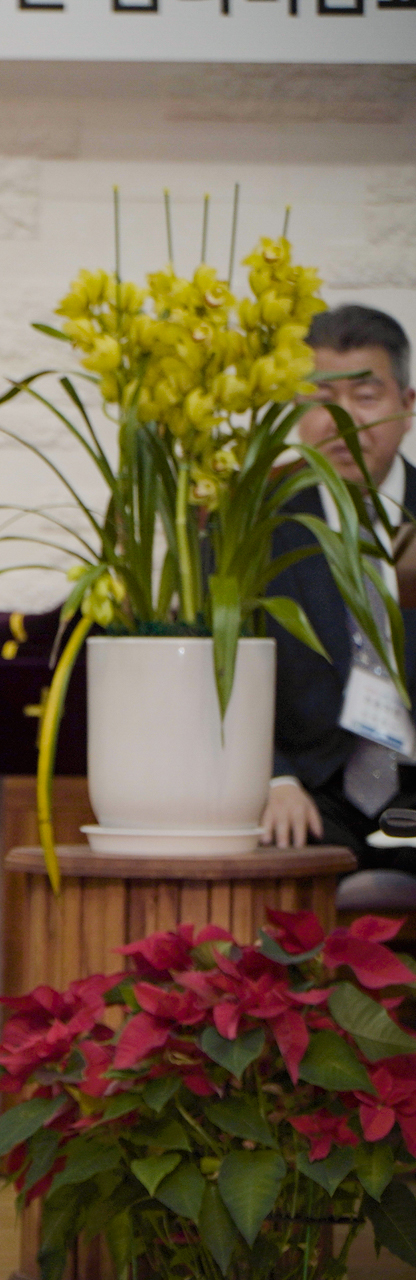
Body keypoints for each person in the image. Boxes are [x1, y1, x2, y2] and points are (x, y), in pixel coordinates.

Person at [260, 304, 416, 865]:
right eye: (322, 400)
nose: (341, 421)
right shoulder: (254, 528)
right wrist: (273, 779)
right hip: (310, 795)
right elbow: (217, 669)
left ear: (408, 405)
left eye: (365, 397)